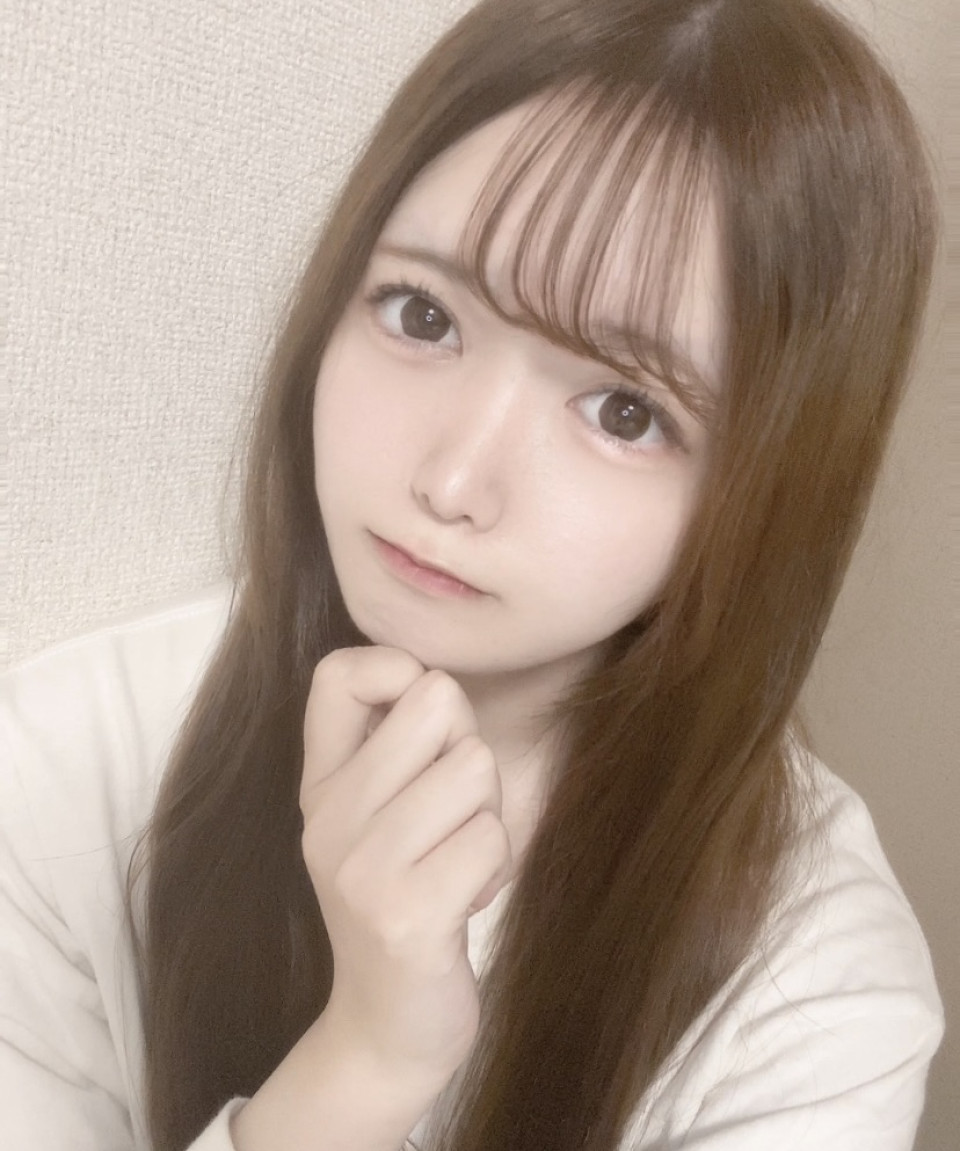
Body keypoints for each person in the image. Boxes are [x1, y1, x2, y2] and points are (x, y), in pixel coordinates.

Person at [0, 0, 944, 1148]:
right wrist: (367, 1056)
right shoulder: (62, 774)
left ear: (769, 490)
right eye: (422, 314)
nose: (451, 482)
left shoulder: (816, 986)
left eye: (625, 410)